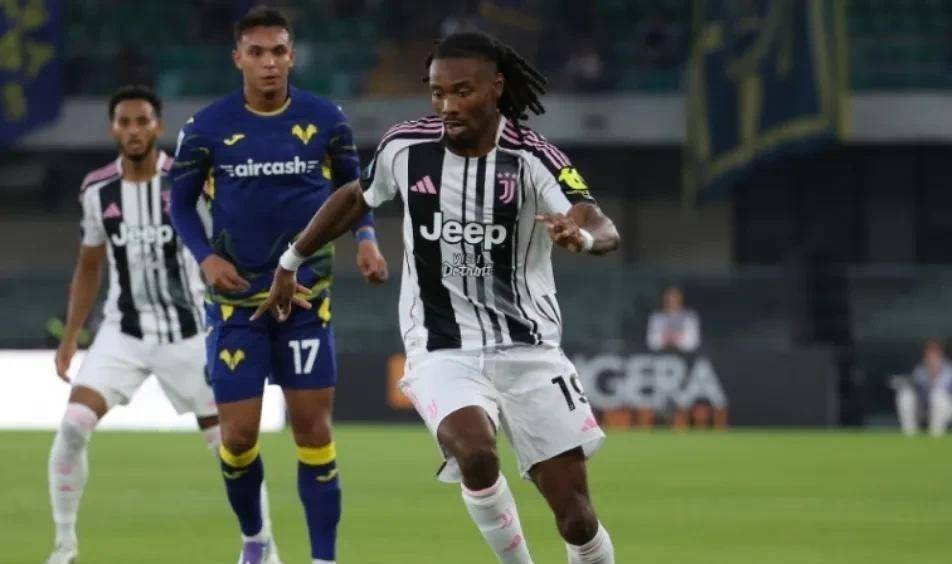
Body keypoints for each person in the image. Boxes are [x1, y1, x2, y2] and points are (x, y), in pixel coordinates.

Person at [255, 31, 619, 564]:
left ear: (496, 88)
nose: (447, 105)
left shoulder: (533, 157)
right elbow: (357, 197)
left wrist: (582, 237)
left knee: (577, 519)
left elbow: (598, 221)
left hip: (529, 347)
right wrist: (290, 261)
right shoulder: (405, 147)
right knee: (474, 451)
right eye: (437, 93)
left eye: (462, 92)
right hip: (441, 344)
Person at [169, 8, 387, 564]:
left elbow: (355, 190)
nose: (269, 62)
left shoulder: (326, 119)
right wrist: (204, 258)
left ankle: (323, 559)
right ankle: (255, 539)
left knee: (314, 432)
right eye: (257, 52)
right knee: (238, 439)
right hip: (237, 304)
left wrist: (365, 238)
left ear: (292, 56)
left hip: (307, 300)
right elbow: (180, 204)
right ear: (238, 58)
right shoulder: (206, 128)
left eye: (278, 51)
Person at [46, 85, 275, 564]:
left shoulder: (187, 181)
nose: (134, 130)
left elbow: (227, 242)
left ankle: (263, 548)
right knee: (72, 427)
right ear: (113, 129)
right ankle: (64, 546)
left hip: (191, 335)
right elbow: (89, 266)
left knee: (232, 447)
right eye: (125, 122)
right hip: (123, 333)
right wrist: (70, 338)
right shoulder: (97, 190)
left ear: (159, 126)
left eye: (142, 121)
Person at [896, 339, 952, 437]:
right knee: (905, 395)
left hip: (946, 410)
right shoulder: (920, 369)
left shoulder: (948, 370)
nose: (932, 357)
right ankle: (909, 434)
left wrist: (935, 372)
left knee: (938, 396)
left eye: (935, 354)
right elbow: (917, 387)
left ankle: (936, 434)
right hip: (924, 408)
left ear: (941, 355)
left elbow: (940, 389)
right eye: (929, 354)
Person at [646, 286, 700, 353]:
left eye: (675, 297)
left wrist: (675, 338)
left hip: (685, 356)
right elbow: (652, 342)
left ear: (680, 298)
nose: (671, 300)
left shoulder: (690, 317)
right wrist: (667, 338)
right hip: (660, 355)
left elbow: (692, 343)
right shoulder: (656, 317)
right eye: (668, 297)